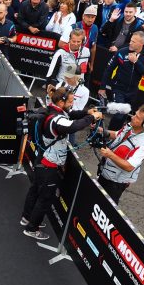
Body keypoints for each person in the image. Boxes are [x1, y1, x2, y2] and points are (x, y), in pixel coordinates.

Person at [22, 87, 103, 240]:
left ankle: (27, 217)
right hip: (49, 165)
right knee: (45, 198)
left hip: (41, 159)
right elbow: (73, 126)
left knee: (35, 190)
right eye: (71, 102)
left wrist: (87, 112)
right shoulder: (57, 119)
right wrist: (92, 118)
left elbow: (72, 115)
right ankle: (32, 228)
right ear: (61, 102)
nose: (72, 104)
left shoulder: (51, 110)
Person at [96, 106, 144, 204]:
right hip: (104, 173)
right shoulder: (130, 126)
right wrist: (100, 131)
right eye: (135, 114)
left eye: (137, 117)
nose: (132, 117)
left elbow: (129, 166)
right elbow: (117, 135)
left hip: (115, 183)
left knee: (106, 207)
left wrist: (110, 154)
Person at [99, 31, 144, 130]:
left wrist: (136, 62)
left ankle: (115, 135)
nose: (130, 43)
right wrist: (102, 87)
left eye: (133, 42)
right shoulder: (122, 52)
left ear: (142, 43)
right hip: (118, 88)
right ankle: (109, 134)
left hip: (133, 91)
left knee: (124, 116)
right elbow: (109, 70)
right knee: (119, 114)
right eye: (131, 40)